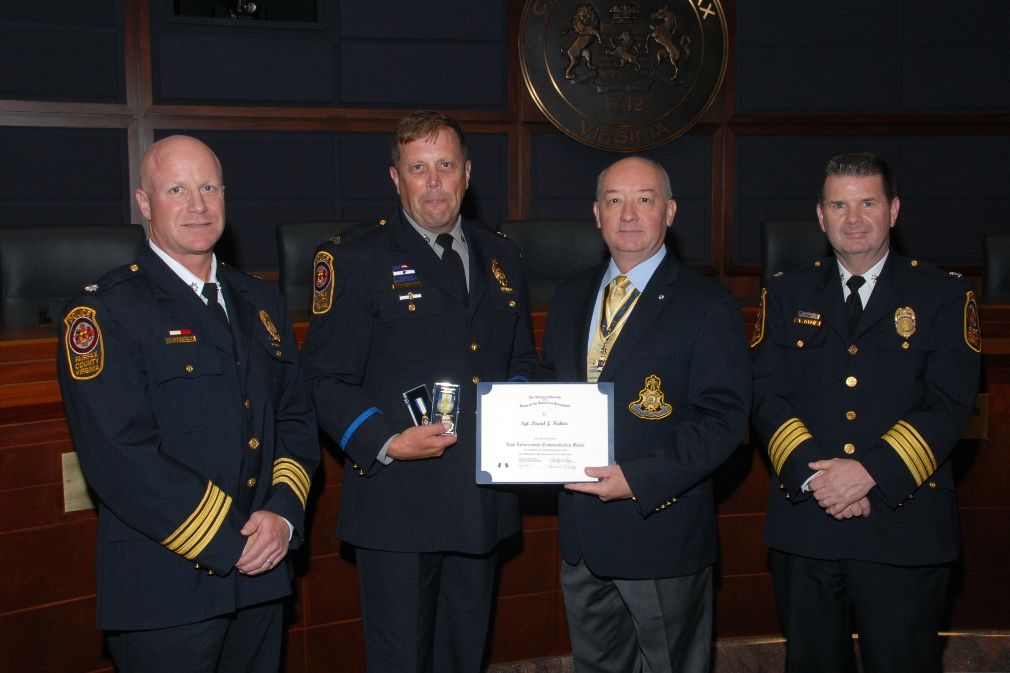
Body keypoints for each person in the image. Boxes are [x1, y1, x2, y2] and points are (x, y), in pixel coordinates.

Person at [57, 135, 319, 673]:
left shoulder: (260, 301)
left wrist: (282, 516)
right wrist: (231, 540)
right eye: (176, 189)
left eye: (208, 187)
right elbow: (119, 457)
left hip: (261, 576)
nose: (198, 205)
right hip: (167, 588)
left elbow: (294, 419)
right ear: (145, 203)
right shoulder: (104, 312)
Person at [300, 110, 540, 673]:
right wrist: (385, 440)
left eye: (446, 166)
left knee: (464, 656)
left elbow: (523, 358)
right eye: (418, 168)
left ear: (467, 173)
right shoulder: (353, 258)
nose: (434, 181)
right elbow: (321, 378)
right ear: (396, 178)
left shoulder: (502, 255)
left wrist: (520, 412)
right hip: (399, 503)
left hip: (480, 500)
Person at [750, 152, 982, 673]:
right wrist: (820, 480)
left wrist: (867, 472)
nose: (853, 218)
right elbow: (765, 395)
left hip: (904, 525)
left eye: (867, 203)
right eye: (839, 204)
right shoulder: (784, 294)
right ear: (820, 215)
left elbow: (950, 405)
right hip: (807, 524)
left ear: (894, 210)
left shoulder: (945, 295)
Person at [540, 156, 751, 673]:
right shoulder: (568, 297)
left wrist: (640, 478)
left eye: (645, 199)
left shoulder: (708, 305)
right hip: (582, 540)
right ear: (596, 213)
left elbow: (725, 418)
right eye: (614, 200)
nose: (628, 214)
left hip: (661, 534)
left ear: (671, 211)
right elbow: (550, 393)